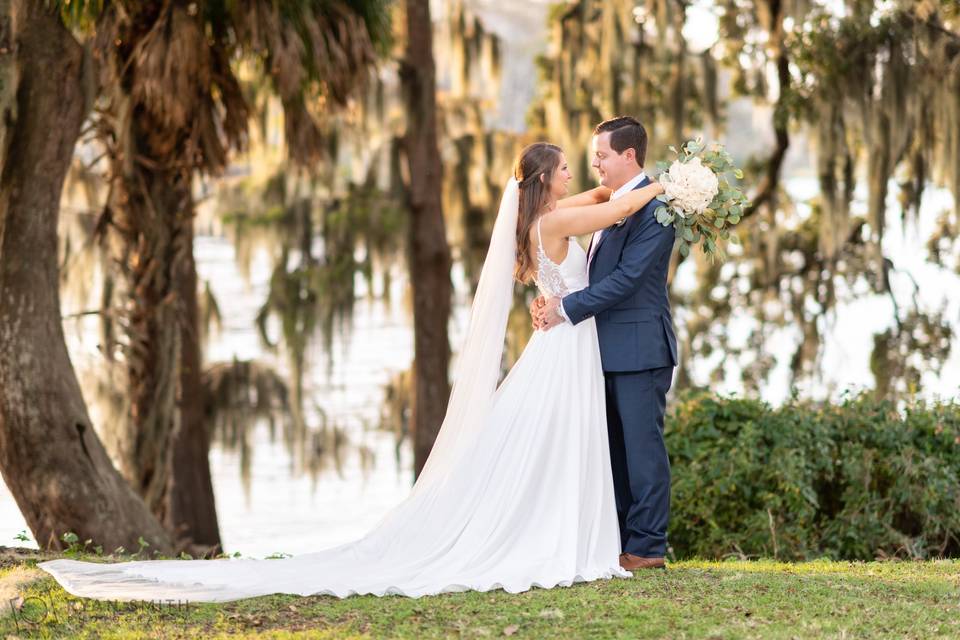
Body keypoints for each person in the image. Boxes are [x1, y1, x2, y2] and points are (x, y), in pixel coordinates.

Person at [36, 140, 665, 603]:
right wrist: (672, 185)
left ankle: (579, 532)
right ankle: (562, 535)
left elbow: (601, 197)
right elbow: (611, 213)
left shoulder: (538, 214)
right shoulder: (556, 219)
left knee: (556, 443)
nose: (573, 175)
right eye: (563, 169)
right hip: (564, 351)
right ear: (545, 181)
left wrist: (626, 185)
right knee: (558, 443)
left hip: (565, 345)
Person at [532, 117, 678, 571]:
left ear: (628, 155)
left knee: (642, 451)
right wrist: (553, 297)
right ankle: (616, 543)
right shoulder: (614, 201)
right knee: (611, 451)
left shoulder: (657, 209)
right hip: (600, 349)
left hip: (639, 350)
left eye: (602, 155)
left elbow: (627, 279)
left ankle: (648, 547)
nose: (593, 162)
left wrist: (565, 307)